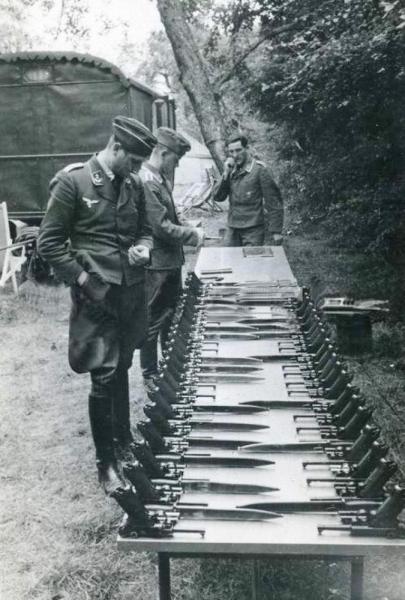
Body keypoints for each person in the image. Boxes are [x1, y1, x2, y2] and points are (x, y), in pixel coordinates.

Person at [38, 116, 157, 494]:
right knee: (103, 376)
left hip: (130, 293)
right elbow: (49, 243)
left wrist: (144, 249)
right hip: (96, 297)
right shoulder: (73, 182)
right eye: (133, 161)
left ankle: (124, 443)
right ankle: (106, 464)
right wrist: (83, 280)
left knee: (122, 367)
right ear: (116, 147)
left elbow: (145, 231)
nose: (136, 169)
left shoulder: (133, 184)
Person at [139, 127, 205, 386]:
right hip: (157, 265)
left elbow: (172, 217)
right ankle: (150, 374)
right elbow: (161, 227)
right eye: (176, 159)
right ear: (163, 152)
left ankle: (170, 368)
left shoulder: (160, 178)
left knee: (171, 317)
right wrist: (192, 235)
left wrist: (188, 225)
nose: (177, 165)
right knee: (153, 320)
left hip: (170, 262)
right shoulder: (148, 181)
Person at [214, 134, 283, 246]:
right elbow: (218, 197)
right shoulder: (231, 170)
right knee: (228, 256)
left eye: (238, 150)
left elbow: (273, 201)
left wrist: (276, 231)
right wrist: (225, 174)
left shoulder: (260, 170)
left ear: (247, 149)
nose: (235, 155)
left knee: (251, 257)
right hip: (233, 227)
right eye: (231, 152)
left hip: (253, 229)